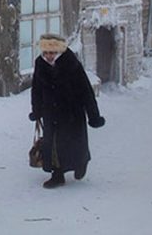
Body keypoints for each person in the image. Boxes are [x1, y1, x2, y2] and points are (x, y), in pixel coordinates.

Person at [29, 32, 105, 188]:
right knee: (53, 145)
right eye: (46, 53)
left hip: (72, 111)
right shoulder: (40, 64)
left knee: (74, 142)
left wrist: (94, 116)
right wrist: (36, 110)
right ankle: (57, 175)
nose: (49, 56)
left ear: (59, 51)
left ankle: (81, 163)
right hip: (51, 112)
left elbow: (86, 91)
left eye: (52, 53)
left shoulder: (71, 63)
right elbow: (36, 89)